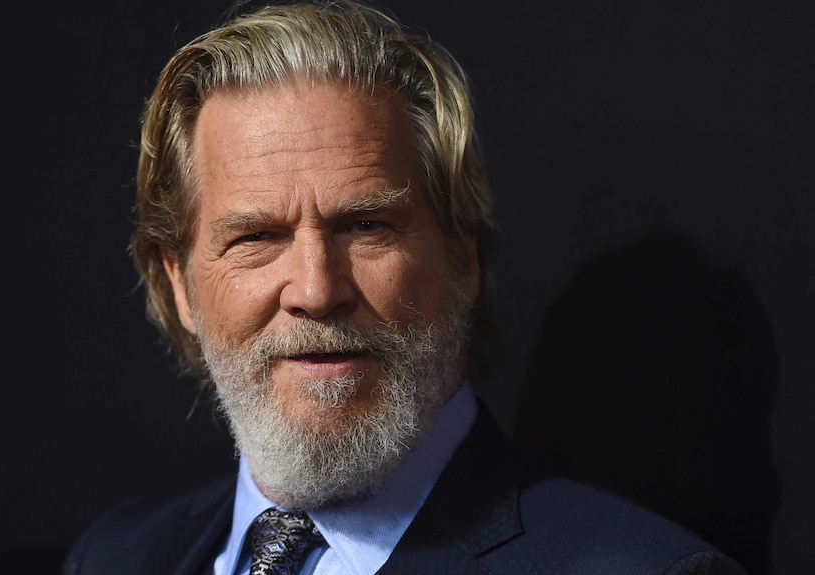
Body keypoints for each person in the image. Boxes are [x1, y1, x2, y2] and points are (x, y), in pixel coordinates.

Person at [63, 1, 748, 573]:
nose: (315, 287)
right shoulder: (113, 555)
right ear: (178, 286)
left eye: (366, 225)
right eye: (256, 238)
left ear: (462, 259)